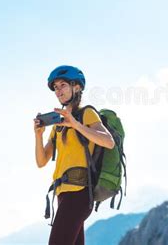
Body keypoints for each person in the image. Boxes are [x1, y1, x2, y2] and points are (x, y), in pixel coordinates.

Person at [34, 65, 115, 245]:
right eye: (55, 87)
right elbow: (41, 161)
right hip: (62, 195)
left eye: (63, 85)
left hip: (79, 194)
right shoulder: (59, 124)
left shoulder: (86, 113)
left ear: (76, 87)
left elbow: (108, 141)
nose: (58, 91)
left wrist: (76, 124)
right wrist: (38, 135)